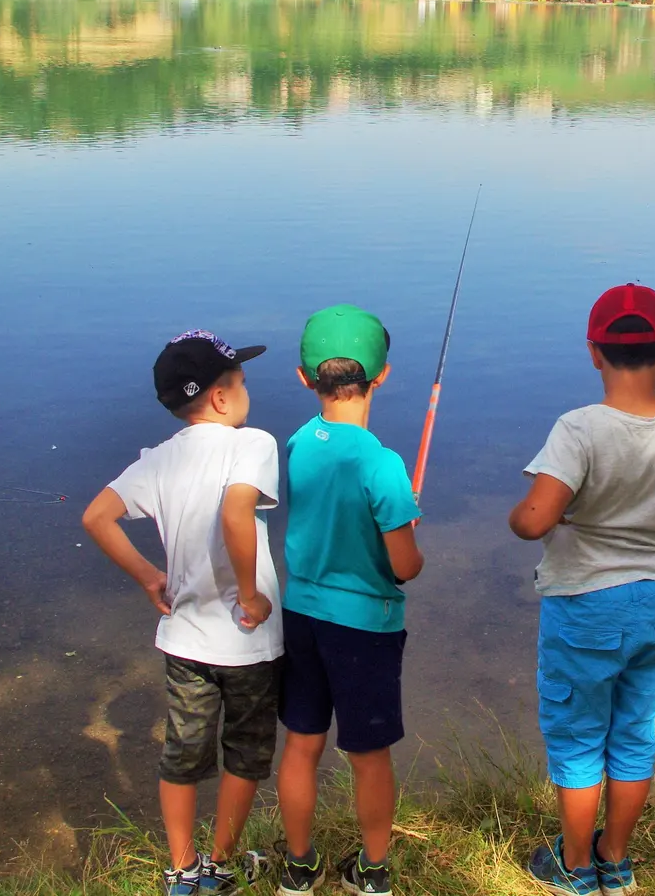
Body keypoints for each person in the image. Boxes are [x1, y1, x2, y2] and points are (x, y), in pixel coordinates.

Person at [509, 283, 655, 896]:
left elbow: (537, 520)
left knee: (577, 740)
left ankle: (574, 869)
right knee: (633, 733)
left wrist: (521, 516)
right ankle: (616, 863)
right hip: (654, 604)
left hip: (585, 607)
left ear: (594, 351)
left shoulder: (578, 429)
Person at [78, 331, 281, 896]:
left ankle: (182, 869)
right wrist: (250, 594)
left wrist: (149, 577)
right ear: (220, 398)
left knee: (183, 754)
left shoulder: (159, 460)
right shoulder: (253, 444)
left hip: (185, 643)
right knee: (245, 753)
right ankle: (221, 864)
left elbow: (97, 517)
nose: (245, 391)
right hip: (247, 643)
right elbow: (237, 513)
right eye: (240, 381)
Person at [276, 305, 424, 896]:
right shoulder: (384, 465)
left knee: (302, 743)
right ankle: (373, 871)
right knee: (368, 752)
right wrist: (407, 516)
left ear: (303, 377)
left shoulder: (296, 444)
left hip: (302, 615)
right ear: (382, 376)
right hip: (365, 627)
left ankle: (298, 865)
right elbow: (404, 566)